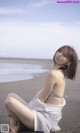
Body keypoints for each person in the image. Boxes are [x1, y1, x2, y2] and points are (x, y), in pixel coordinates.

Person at [5, 45, 78, 133]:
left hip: (44, 120)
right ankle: (15, 125)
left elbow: (41, 100)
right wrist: (20, 111)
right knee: (11, 95)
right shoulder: (60, 73)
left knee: (9, 102)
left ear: (68, 62)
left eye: (64, 55)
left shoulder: (54, 74)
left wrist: (20, 112)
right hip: (43, 113)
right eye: (60, 51)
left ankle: (14, 127)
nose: (59, 55)